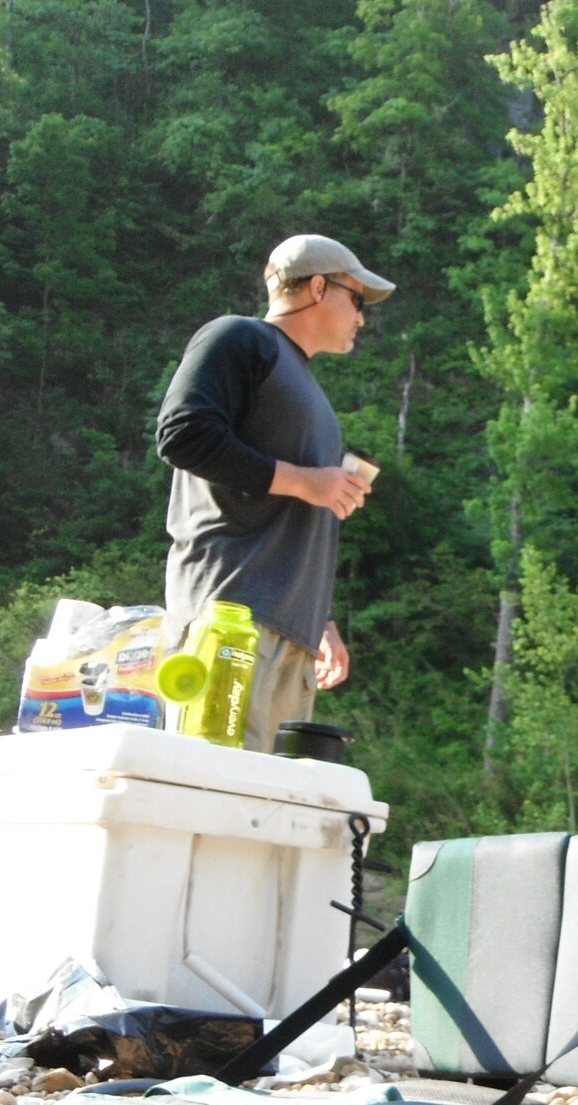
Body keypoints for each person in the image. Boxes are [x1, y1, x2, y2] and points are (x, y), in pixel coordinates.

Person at [157, 233, 394, 753]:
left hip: (292, 633)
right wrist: (308, 481)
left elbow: (287, 518)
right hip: (231, 618)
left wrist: (320, 619)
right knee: (217, 782)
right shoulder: (238, 338)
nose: (362, 318)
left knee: (268, 794)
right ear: (317, 288)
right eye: (357, 299)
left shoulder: (309, 390)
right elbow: (182, 435)